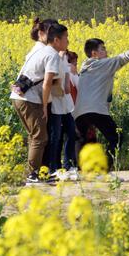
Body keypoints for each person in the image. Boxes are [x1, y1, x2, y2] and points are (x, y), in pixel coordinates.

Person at [73, 33, 129, 169]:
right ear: (94, 53)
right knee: (116, 137)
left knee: (82, 140)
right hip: (95, 109)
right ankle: (104, 167)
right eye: (102, 49)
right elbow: (125, 57)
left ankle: (80, 170)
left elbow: (107, 95)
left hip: (79, 112)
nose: (106, 51)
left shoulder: (85, 67)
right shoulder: (102, 64)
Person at [11, 22, 67, 183]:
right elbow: (47, 83)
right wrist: (44, 106)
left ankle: (38, 173)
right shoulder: (52, 55)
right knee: (40, 137)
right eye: (65, 38)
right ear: (56, 40)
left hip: (20, 97)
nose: (67, 41)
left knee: (35, 136)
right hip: (30, 99)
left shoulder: (41, 50)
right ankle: (33, 174)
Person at [48, 50, 78, 179]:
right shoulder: (53, 57)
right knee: (56, 136)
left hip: (66, 103)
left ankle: (67, 165)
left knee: (71, 132)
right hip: (55, 103)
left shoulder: (64, 58)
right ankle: (54, 167)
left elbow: (67, 87)